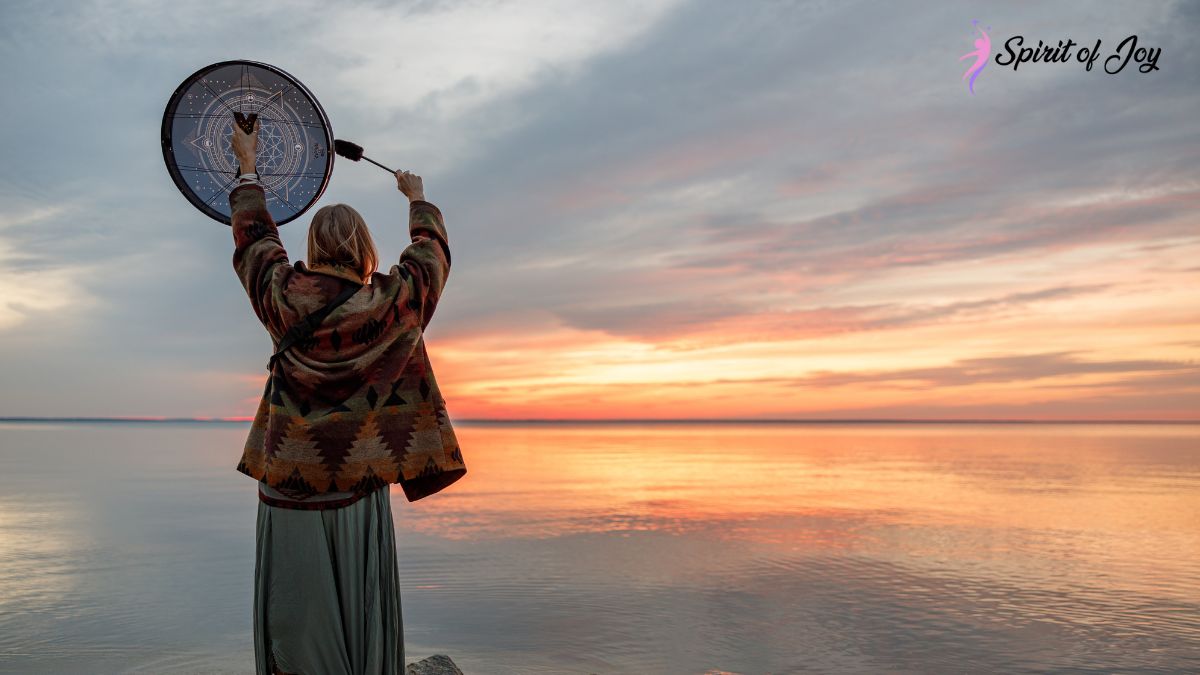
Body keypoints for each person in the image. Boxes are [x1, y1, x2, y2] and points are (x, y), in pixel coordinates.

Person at [227, 117, 468, 675]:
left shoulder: (282, 295)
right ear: (362, 248)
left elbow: (254, 238)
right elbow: (431, 256)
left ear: (313, 246)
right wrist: (418, 199)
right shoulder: (392, 303)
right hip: (358, 486)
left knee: (296, 615)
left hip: (288, 484)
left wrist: (247, 165)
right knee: (360, 610)